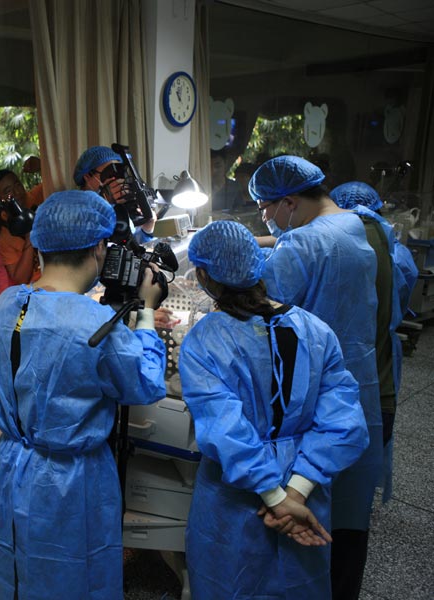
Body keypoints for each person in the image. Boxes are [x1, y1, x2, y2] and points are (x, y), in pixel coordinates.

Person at [0, 190, 167, 600]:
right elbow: (146, 382)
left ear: (42, 244)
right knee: (72, 571)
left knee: (16, 562)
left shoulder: (8, 303)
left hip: (15, 463)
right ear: (100, 246)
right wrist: (148, 312)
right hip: (71, 477)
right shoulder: (94, 321)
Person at [178, 221, 369, 599]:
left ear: (203, 274)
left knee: (230, 581)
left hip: (237, 493)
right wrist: (295, 493)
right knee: (297, 584)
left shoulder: (207, 338)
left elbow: (225, 428)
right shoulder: (316, 330)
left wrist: (274, 498)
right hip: (306, 484)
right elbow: (343, 422)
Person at [250, 156, 381, 600]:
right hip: (357, 371)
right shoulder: (354, 224)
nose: (266, 216)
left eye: (268, 207)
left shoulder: (301, 245)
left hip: (312, 379)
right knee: (347, 505)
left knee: (305, 494)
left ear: (290, 201)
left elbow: (259, 308)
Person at [331, 181, 419, 502]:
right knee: (372, 431)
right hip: (381, 367)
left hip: (342, 365)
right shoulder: (400, 254)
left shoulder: (333, 249)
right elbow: (402, 302)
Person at [73, 146, 157, 241]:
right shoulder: (71, 207)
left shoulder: (117, 207)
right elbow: (80, 242)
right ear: (87, 176)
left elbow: (133, 245)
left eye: (117, 173)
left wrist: (146, 230)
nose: (114, 179)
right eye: (109, 173)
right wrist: (102, 203)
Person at [0, 169, 39, 285]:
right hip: (37, 287)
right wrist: (29, 237)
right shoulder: (4, 233)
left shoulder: (37, 198)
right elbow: (20, 279)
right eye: (8, 191)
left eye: (17, 185)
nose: (17, 192)